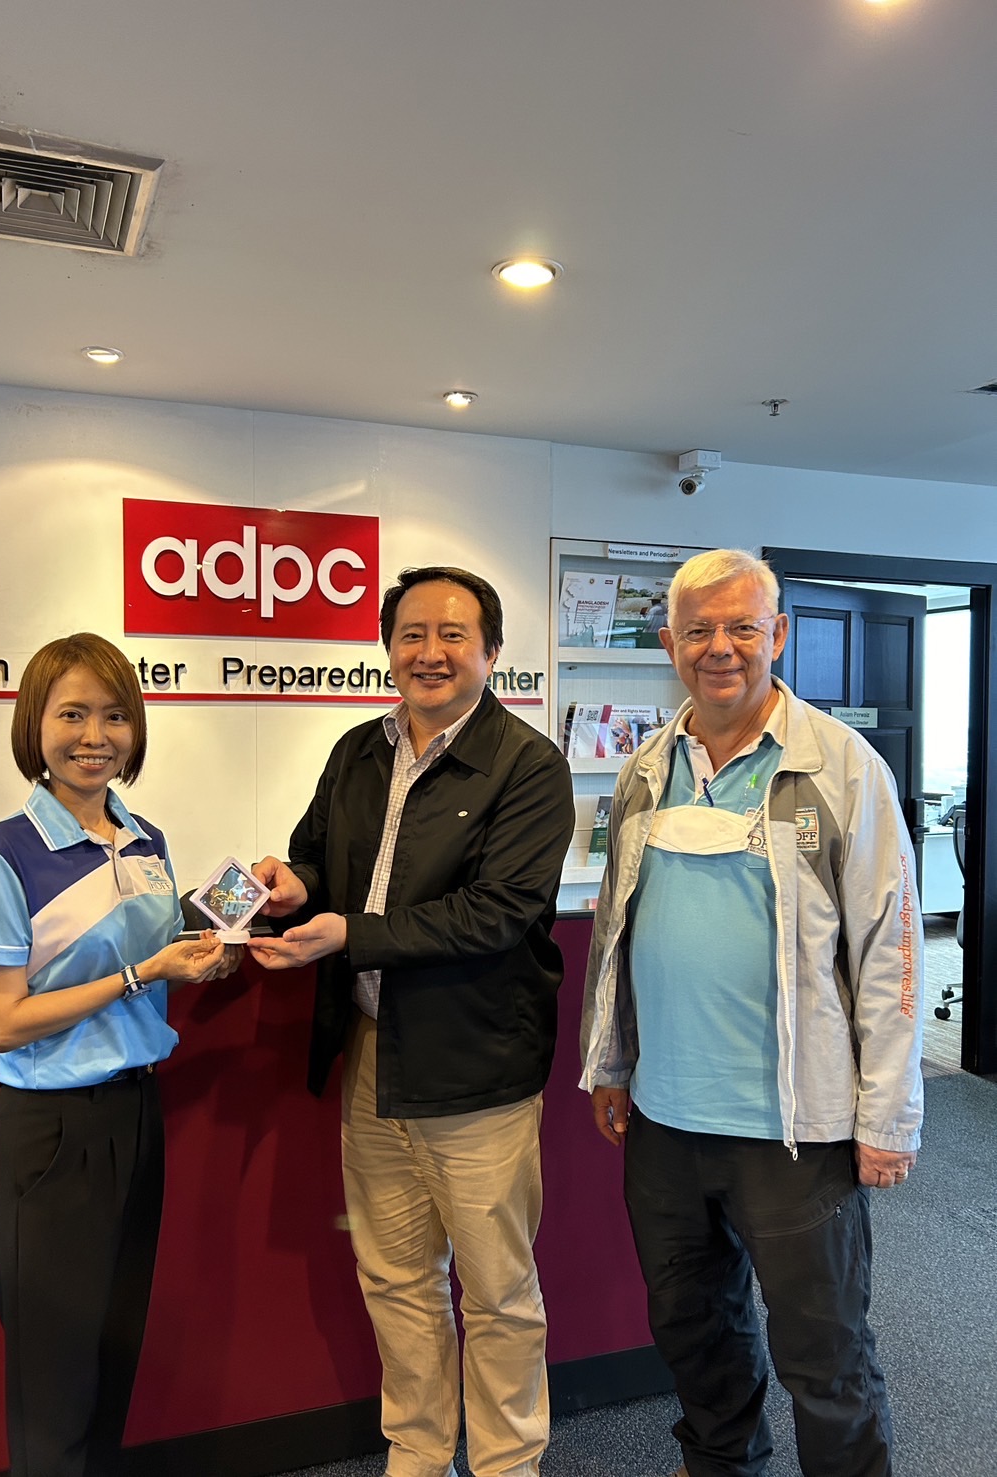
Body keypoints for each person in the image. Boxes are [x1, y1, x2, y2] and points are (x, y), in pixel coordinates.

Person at [580, 549, 923, 1477]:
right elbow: (617, 927)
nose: (720, 647)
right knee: (695, 1332)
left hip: (795, 1129)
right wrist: (611, 1063)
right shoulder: (647, 767)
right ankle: (722, 1466)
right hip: (666, 1118)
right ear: (670, 644)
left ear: (779, 633)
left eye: (742, 626)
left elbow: (891, 947)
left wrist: (888, 1117)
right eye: (699, 630)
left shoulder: (841, 768)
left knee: (824, 1352)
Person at [250, 566, 574, 1477]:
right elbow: (318, 857)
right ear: (388, 646)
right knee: (396, 1278)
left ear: (492, 652)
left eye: (453, 634)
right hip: (372, 1059)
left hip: (476, 1067)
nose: (431, 652)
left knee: (498, 1292)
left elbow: (496, 913)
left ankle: (508, 1463)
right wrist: (295, 883)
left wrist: (350, 933)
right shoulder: (359, 749)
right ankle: (420, 1451)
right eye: (412, 634)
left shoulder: (528, 766)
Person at [0, 633, 228, 1477]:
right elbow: (2, 1022)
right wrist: (143, 972)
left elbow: (156, 960)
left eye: (114, 715)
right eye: (72, 714)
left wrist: (205, 954)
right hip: (51, 1134)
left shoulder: (145, 839)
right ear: (35, 725)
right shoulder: (3, 853)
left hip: (136, 1117)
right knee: (53, 1381)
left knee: (112, 1360)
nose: (94, 736)